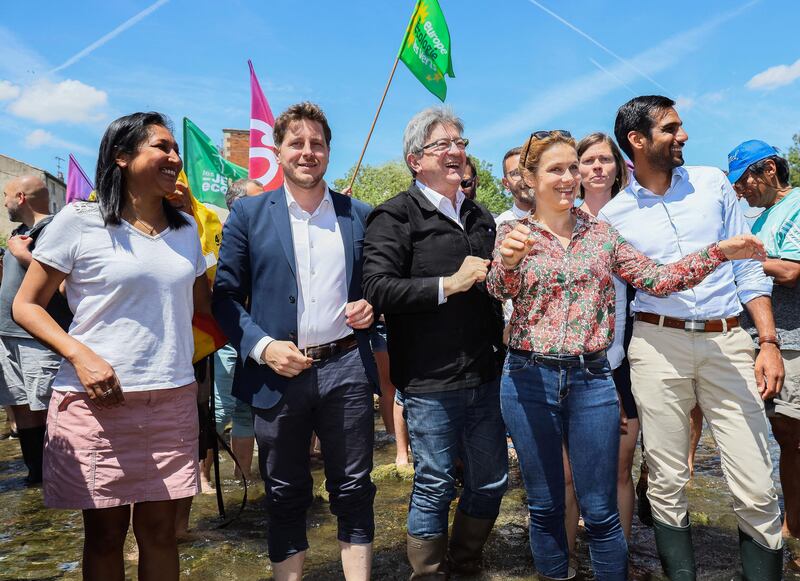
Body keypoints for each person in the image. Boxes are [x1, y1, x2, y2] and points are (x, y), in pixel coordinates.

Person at [488, 129, 762, 581]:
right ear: (530, 178)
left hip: (593, 382)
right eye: (555, 169)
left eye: (571, 168)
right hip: (526, 381)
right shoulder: (514, 236)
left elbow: (657, 279)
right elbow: (498, 291)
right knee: (545, 504)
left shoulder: (601, 235)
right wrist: (509, 264)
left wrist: (719, 252)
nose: (568, 178)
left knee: (600, 510)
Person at [13, 112, 210, 581]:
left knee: (162, 533)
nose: (174, 157)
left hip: (171, 397)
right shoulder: (79, 222)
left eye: (174, 150)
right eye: (161, 147)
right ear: (121, 156)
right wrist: (81, 355)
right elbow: (27, 306)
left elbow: (201, 306)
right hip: (97, 400)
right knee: (104, 534)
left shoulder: (185, 231)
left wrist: (202, 223)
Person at [598, 95, 785, 579]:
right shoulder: (612, 218)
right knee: (665, 478)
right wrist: (615, 379)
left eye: (680, 127)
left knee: (758, 479)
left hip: (729, 341)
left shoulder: (713, 184)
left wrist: (767, 342)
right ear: (637, 141)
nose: (683, 136)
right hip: (657, 346)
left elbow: (748, 267)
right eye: (670, 129)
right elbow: (620, 302)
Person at [212, 101, 378, 581]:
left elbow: (376, 284)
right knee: (284, 489)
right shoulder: (246, 214)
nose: (308, 152)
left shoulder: (358, 214)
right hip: (275, 370)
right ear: (277, 149)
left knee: (353, 487)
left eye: (317, 143)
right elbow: (224, 298)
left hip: (345, 366)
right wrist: (263, 347)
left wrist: (372, 306)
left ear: (329, 150)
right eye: (297, 143)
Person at [363, 106, 508, 578]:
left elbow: (494, 289)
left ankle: (465, 565)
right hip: (429, 380)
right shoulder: (395, 215)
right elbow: (378, 289)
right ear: (414, 159)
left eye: (460, 143)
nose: (455, 152)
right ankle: (426, 573)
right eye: (442, 144)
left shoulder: (480, 216)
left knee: (490, 481)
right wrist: (449, 283)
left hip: (486, 374)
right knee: (434, 484)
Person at [728, 139, 800, 542]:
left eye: (744, 182)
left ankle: (793, 528)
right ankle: (770, 524)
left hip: (791, 337)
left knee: (793, 436)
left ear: (769, 170)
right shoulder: (758, 219)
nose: (741, 192)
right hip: (753, 337)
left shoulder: (798, 204)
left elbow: (791, 270)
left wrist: (735, 256)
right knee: (763, 432)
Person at [568, 133, 637, 547]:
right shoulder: (564, 218)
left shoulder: (638, 215)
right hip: (573, 363)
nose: (596, 167)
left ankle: (620, 560)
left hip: (628, 356)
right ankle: (567, 563)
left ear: (618, 167)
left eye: (604, 160)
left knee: (620, 468)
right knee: (571, 473)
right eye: (587, 160)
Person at [0, 176, 70, 485]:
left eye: (6, 196)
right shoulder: (19, 232)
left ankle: (62, 476)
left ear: (20, 197)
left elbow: (66, 285)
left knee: (47, 406)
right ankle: (36, 474)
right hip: (9, 336)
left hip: (37, 338)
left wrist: (21, 255)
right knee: (22, 404)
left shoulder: (55, 230)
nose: (4, 203)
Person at [212, 177, 264, 482]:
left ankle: (242, 477)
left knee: (245, 410)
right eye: (256, 199)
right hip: (223, 335)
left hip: (258, 335)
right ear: (236, 204)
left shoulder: (264, 232)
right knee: (220, 410)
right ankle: (201, 476)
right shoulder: (215, 235)